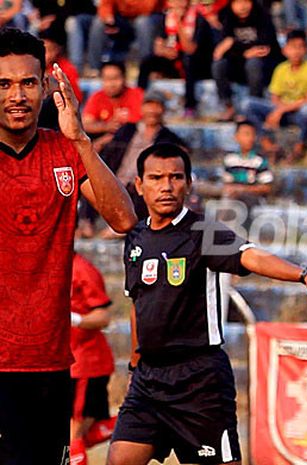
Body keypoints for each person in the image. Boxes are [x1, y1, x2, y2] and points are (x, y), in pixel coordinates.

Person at [107, 143, 307, 465]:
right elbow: (139, 305)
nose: (166, 186)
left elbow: (252, 255)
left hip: (199, 380)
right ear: (139, 185)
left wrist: (303, 274)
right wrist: (135, 365)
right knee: (119, 460)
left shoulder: (202, 231)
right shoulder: (136, 237)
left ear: (189, 184)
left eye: (176, 177)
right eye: (156, 177)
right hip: (149, 379)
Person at [0, 28, 136, 465]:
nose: (17, 95)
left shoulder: (65, 151)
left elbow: (123, 220)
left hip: (52, 364)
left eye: (27, 82)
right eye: (3, 84)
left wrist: (80, 138)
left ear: (46, 86)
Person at [101, 90, 188, 221]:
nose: (152, 110)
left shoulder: (168, 137)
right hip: (117, 180)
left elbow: (183, 153)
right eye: (149, 105)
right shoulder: (127, 129)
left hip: (140, 185)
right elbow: (110, 153)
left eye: (157, 106)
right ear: (142, 108)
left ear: (163, 110)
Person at [242, 29, 307, 161]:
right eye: (292, 47)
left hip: (299, 113)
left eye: (300, 47)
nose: (296, 51)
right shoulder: (281, 69)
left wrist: (280, 110)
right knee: (247, 104)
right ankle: (267, 144)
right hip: (283, 111)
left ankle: (300, 147)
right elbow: (274, 97)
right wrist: (279, 110)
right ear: (285, 50)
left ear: (306, 49)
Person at [68, 253, 118, 465]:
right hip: (59, 364)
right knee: (78, 436)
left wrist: (74, 319)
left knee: (72, 436)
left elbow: (103, 316)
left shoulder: (81, 269)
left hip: (85, 364)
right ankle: (137, 424)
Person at [212, 0, 283, 121]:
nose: (242, 6)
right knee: (219, 65)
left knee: (254, 62)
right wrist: (243, 52)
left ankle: (253, 106)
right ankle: (228, 107)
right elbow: (223, 49)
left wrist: (235, 46)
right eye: (238, 2)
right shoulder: (228, 18)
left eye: (246, 1)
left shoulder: (262, 16)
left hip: (265, 67)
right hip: (240, 65)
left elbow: (264, 47)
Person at [82, 61, 144, 152]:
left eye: (115, 78)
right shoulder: (97, 97)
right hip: (102, 139)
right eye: (107, 79)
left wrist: (104, 141)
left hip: (130, 143)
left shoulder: (137, 94)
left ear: (124, 78)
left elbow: (138, 127)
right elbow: (86, 124)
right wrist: (106, 126)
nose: (111, 84)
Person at [87, 0, 161, 72]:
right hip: (122, 17)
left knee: (142, 22)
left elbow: (147, 8)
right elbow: (105, 5)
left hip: (150, 17)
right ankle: (94, 68)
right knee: (98, 22)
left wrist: (127, 4)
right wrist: (108, 17)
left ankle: (146, 69)